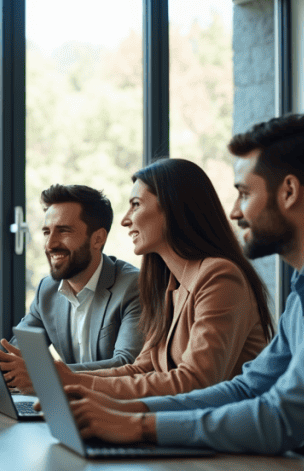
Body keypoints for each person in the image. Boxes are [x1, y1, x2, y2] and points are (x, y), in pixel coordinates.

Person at [66, 115, 304, 471]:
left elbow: (281, 417)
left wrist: (139, 426)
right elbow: (249, 388)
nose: (235, 211)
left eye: (245, 193)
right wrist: (130, 411)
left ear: (288, 192)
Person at [55, 159, 273, 398]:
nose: (125, 219)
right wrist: (64, 379)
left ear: (171, 208)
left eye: (136, 205)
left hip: (225, 431)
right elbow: (143, 368)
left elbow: (195, 382)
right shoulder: (168, 284)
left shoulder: (220, 277)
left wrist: (75, 383)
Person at [0, 184, 144, 393]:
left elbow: (126, 365)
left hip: (116, 410)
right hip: (69, 405)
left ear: (98, 238)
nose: (50, 244)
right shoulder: (47, 290)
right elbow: (17, 356)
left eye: (64, 231)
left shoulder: (133, 287)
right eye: (47, 232)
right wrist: (0, 365)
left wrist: (44, 374)